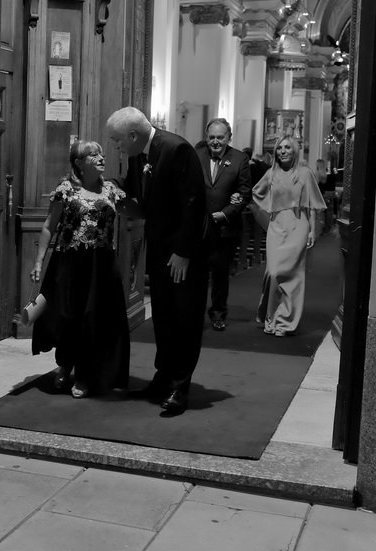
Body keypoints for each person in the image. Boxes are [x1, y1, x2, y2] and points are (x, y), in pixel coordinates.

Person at [108, 106, 208, 415]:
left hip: (183, 252)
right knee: (163, 316)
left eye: (117, 140)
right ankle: (163, 376)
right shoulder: (140, 155)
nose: (116, 146)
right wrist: (110, 190)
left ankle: (180, 386)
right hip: (160, 247)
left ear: (134, 135)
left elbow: (194, 203)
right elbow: (139, 193)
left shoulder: (177, 149)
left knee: (184, 318)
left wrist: (183, 252)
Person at [29, 139, 130, 398]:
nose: (100, 157)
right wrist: (39, 261)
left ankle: (85, 375)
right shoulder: (66, 190)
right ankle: (65, 364)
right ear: (79, 163)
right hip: (69, 263)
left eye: (101, 153)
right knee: (67, 316)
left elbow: (134, 214)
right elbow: (49, 226)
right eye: (92, 154)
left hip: (102, 266)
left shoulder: (111, 191)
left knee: (93, 318)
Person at [252, 135, 327, 337]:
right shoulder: (271, 173)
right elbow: (256, 193)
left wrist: (312, 230)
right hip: (277, 226)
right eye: (279, 148)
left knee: (293, 275)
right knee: (273, 273)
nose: (282, 151)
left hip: (298, 225)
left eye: (287, 148)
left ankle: (285, 323)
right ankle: (271, 318)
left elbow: (311, 205)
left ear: (294, 151)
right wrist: (268, 213)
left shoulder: (305, 173)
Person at [197, 118, 251, 331]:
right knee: (198, 275)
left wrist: (226, 214)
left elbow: (245, 192)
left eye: (220, 137)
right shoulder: (196, 156)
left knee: (220, 275)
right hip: (200, 228)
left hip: (225, 228)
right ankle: (195, 314)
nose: (216, 141)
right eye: (211, 137)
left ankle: (218, 314)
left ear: (229, 137)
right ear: (206, 137)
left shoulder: (239, 159)